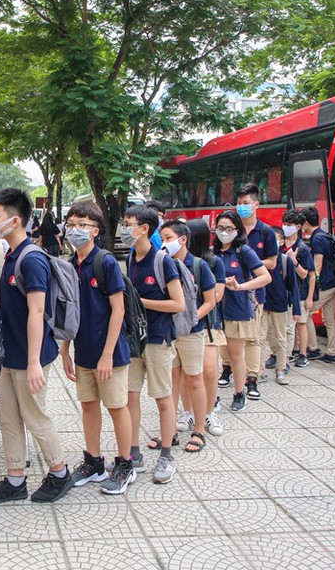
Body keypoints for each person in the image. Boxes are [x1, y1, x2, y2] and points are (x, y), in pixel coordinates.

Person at [0, 188, 75, 504]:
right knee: (7, 416)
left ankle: (60, 473)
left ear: (14, 220)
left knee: (35, 416)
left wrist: (35, 362)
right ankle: (15, 478)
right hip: (12, 353)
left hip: (29, 355)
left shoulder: (31, 259)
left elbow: (37, 311)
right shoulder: (12, 254)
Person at [59, 201, 136, 495]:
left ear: (95, 230)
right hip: (83, 351)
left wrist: (106, 355)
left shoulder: (105, 263)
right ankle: (93, 462)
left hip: (111, 354)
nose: (75, 229)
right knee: (89, 406)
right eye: (72, 223)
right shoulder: (69, 265)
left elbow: (118, 310)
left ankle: (125, 463)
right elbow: (70, 312)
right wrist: (65, 349)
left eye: (83, 224)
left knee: (117, 407)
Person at [122, 204, 184, 483]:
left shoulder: (162, 261)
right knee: (129, 396)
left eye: (128, 223)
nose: (124, 229)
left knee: (162, 398)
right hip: (134, 341)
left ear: (144, 228)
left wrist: (139, 303)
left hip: (158, 340)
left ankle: (167, 455)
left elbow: (178, 304)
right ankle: (133, 452)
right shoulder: (130, 259)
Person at [160, 220, 215, 454]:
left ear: (183, 239)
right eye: (162, 238)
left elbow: (210, 300)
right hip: (169, 333)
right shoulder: (163, 264)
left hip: (192, 332)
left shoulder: (199, 265)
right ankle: (169, 431)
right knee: (171, 380)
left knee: (194, 378)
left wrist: (191, 319)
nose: (164, 243)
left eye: (168, 238)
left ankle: (199, 429)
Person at [214, 211, 271, 412]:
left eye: (229, 229)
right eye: (220, 228)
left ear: (237, 230)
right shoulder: (212, 252)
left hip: (237, 309)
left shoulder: (243, 251)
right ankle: (212, 396)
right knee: (216, 355)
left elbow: (265, 277)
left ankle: (240, 393)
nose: (224, 232)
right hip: (214, 310)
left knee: (236, 354)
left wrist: (240, 286)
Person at [235, 184, 278, 401]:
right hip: (232, 292)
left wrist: (251, 262)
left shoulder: (266, 232)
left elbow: (272, 263)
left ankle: (253, 375)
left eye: (246, 203)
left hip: (255, 293)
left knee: (254, 336)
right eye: (239, 203)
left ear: (256, 204)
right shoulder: (232, 230)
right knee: (232, 336)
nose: (241, 207)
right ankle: (232, 371)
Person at [185, 218, 225, 437]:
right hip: (184, 325)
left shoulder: (212, 262)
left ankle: (210, 412)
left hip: (209, 324)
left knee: (209, 370)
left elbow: (217, 296)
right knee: (186, 372)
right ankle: (187, 411)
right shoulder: (177, 260)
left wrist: (194, 314)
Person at [301, 206, 335, 363]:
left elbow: (317, 266)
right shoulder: (324, 235)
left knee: (308, 312)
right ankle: (333, 352)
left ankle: (312, 348)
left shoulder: (317, 239)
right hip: (334, 281)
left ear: (306, 222)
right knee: (329, 318)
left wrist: (312, 287)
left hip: (326, 284)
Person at [262, 219, 301, 386]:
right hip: (263, 303)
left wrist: (296, 309)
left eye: (276, 239)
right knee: (260, 336)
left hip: (279, 304)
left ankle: (281, 369)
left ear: (282, 241)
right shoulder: (261, 260)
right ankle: (259, 371)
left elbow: (294, 287)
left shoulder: (285, 261)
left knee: (281, 337)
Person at [281, 210, 316, 368]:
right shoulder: (279, 244)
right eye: (285, 224)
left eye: (289, 225)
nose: (286, 228)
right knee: (284, 326)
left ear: (299, 227)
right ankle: (281, 353)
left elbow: (307, 275)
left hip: (300, 292)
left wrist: (293, 261)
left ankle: (302, 353)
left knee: (300, 323)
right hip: (282, 291)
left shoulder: (302, 248)